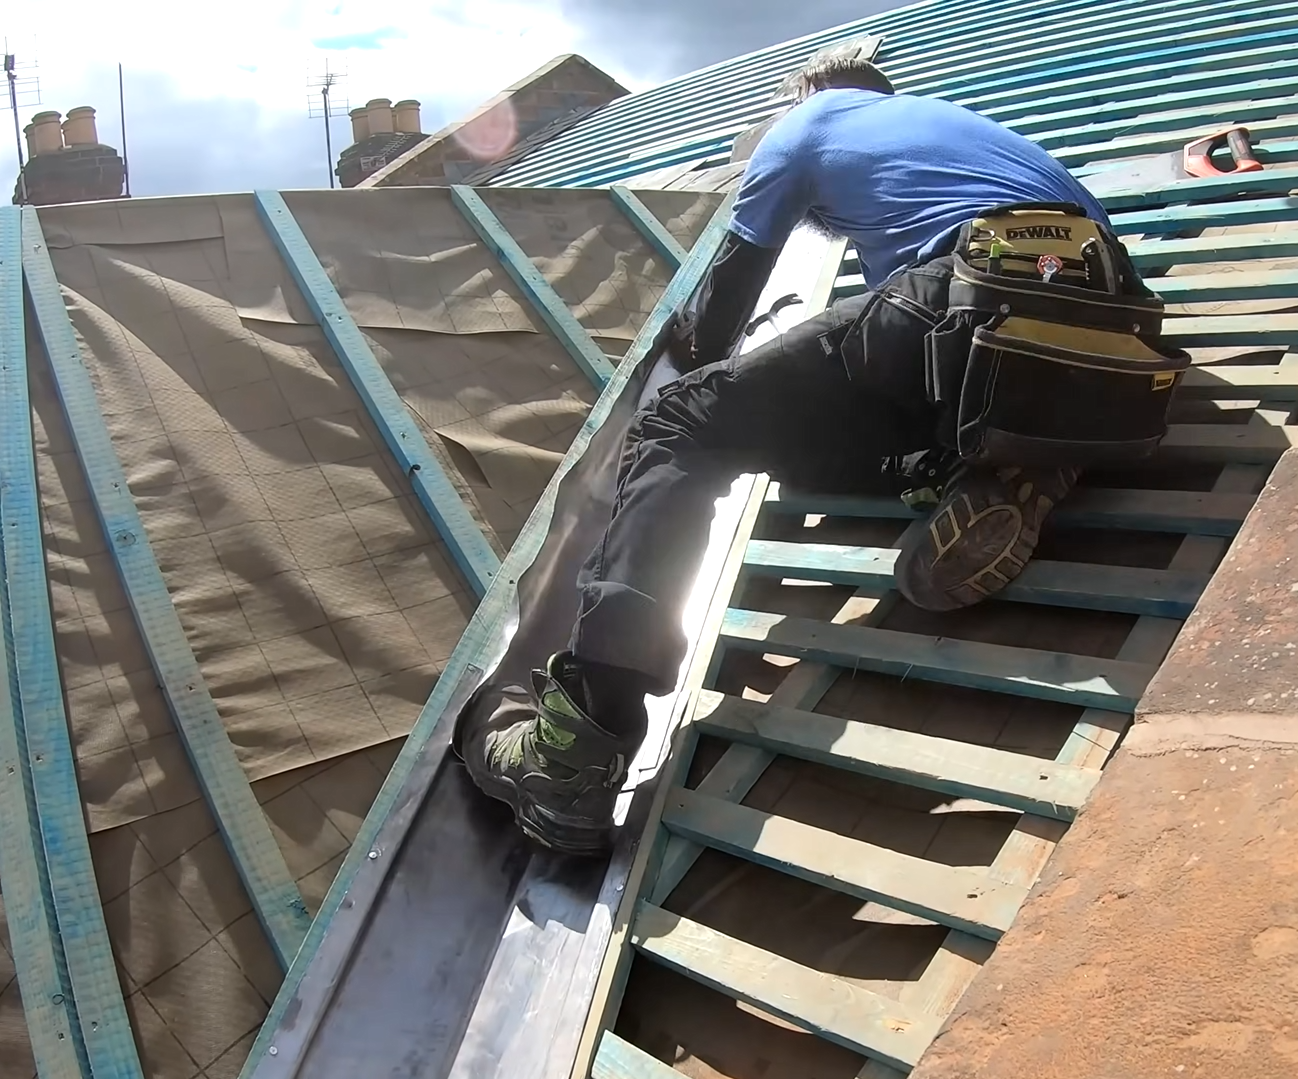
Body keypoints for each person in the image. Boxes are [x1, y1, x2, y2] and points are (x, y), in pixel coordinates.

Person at [461, 55, 1184, 855]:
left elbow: (730, 292)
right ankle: (980, 464)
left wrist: (701, 351)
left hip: (970, 295)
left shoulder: (806, 124)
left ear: (802, 96)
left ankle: (577, 746)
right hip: (1109, 340)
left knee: (681, 420)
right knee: (836, 424)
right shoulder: (977, 137)